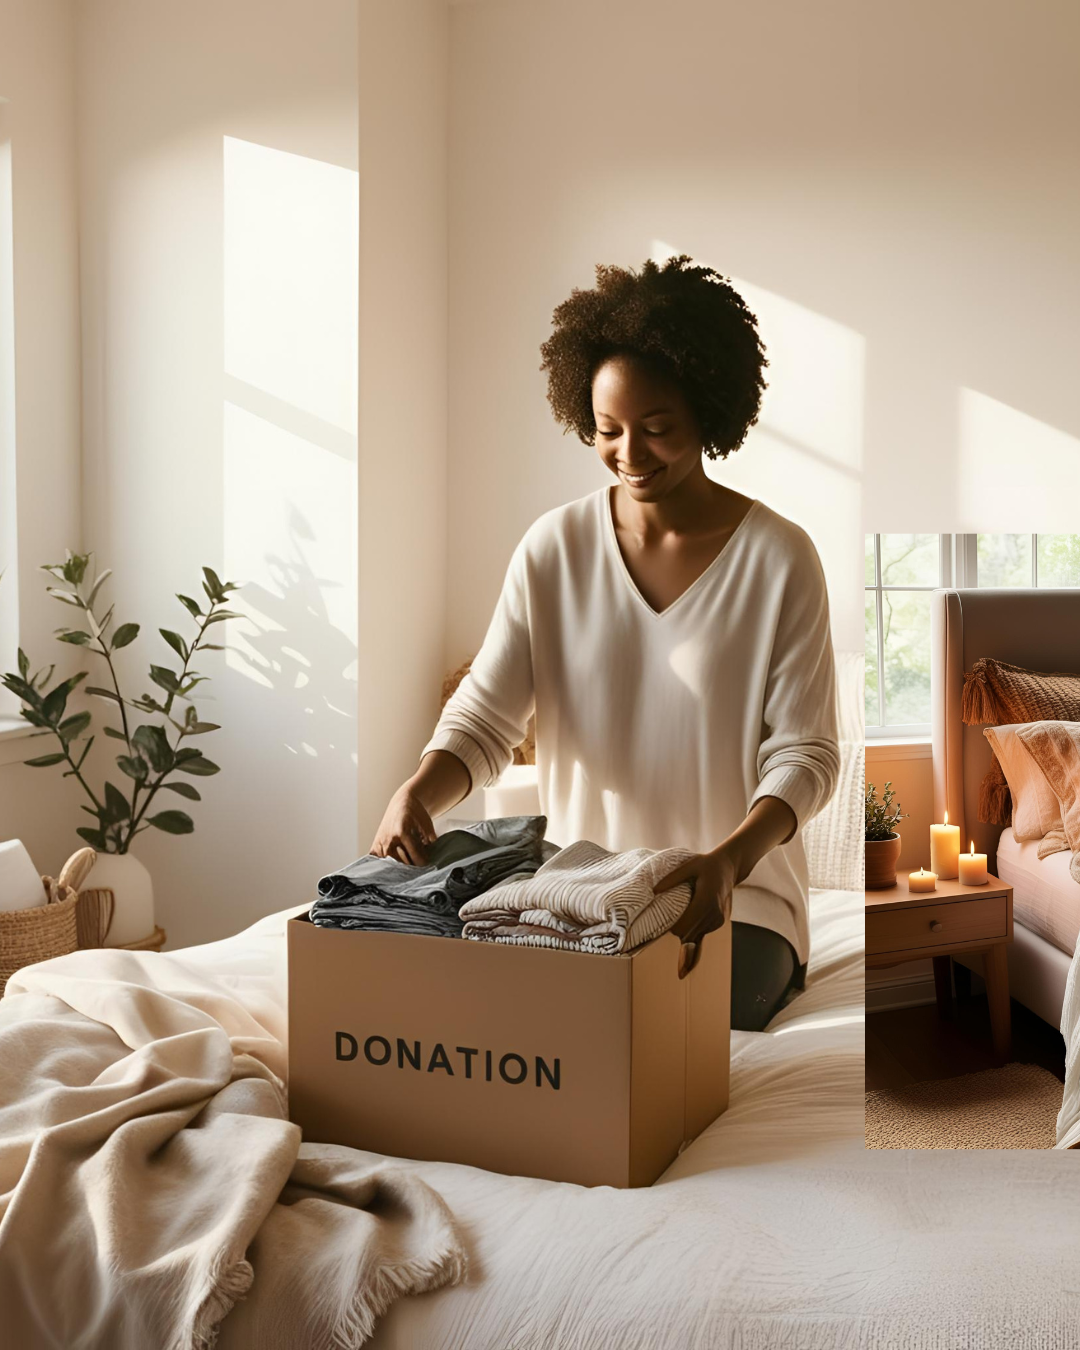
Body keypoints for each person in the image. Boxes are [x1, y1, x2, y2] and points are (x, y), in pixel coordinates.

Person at [370, 255, 839, 1031]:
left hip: (737, 900)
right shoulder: (553, 549)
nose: (629, 453)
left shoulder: (779, 558)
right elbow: (485, 721)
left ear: (708, 411)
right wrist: (418, 788)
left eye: (656, 429)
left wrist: (726, 861)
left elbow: (805, 757)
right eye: (607, 430)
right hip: (582, 900)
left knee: (651, 1020)